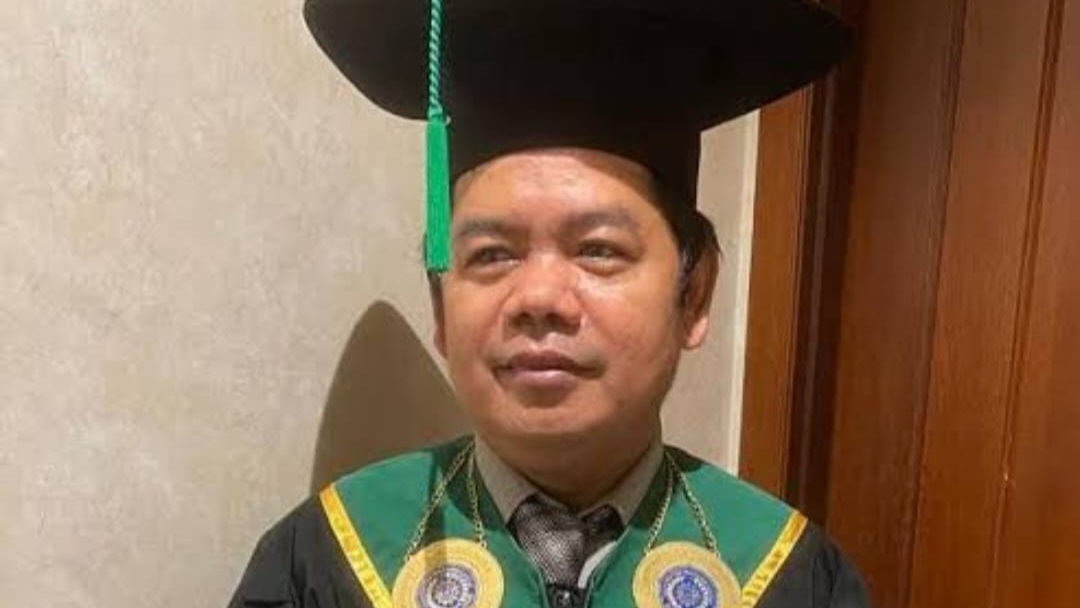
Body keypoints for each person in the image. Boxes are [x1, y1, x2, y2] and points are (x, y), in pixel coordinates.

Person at [228, 0, 870, 606]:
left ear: (694, 295)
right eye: (491, 254)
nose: (538, 298)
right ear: (440, 307)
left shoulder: (796, 580)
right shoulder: (319, 563)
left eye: (598, 250)